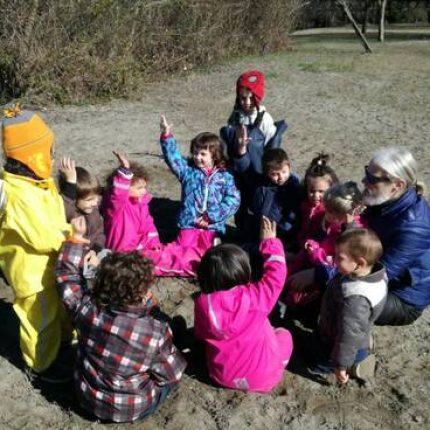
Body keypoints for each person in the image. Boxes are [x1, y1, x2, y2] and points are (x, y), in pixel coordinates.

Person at [55, 216, 186, 423]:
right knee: (166, 373)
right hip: (131, 408)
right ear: (142, 293)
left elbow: (67, 277)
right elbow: (172, 374)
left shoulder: (86, 308)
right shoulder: (155, 332)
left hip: (86, 398)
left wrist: (76, 240)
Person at [0, 104, 73, 381]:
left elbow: (54, 214)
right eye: (48, 153)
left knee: (59, 309)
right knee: (39, 320)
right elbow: (43, 235)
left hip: (50, 266)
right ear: (32, 156)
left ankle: (63, 344)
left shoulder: (38, 184)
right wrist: (72, 239)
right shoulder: (19, 194)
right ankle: (41, 365)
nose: (52, 159)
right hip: (30, 274)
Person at [194, 217, 293, 393]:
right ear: (244, 273)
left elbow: (201, 335)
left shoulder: (203, 304)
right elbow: (277, 274)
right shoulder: (256, 297)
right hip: (264, 379)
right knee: (284, 335)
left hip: (220, 376)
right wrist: (270, 242)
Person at [157, 115, 240, 275]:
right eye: (195, 153)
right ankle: (175, 265)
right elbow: (173, 158)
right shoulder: (188, 171)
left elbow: (233, 200)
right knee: (181, 250)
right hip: (189, 222)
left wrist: (211, 216)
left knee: (210, 255)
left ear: (214, 155)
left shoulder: (225, 177)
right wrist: (167, 136)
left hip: (212, 225)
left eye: (202, 154)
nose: (197, 157)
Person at [308, 228, 387, 385]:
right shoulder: (373, 273)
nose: (334, 259)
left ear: (360, 263)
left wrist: (340, 366)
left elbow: (347, 336)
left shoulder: (356, 300)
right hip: (355, 333)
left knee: (315, 362)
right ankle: (359, 354)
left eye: (340, 257)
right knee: (356, 332)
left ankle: (346, 365)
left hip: (338, 341)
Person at [362, 147, 430, 325]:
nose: (363, 181)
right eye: (366, 172)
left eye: (372, 178)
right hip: (382, 274)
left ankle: (358, 347)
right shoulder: (383, 200)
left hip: (404, 299)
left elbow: (375, 275)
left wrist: (321, 273)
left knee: (351, 299)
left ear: (397, 185)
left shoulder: (413, 227)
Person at [220, 70, 287, 227]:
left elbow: (272, 147)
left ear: (257, 97)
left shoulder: (265, 119)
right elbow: (229, 140)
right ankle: (241, 230)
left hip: (256, 171)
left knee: (257, 203)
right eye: (243, 98)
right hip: (238, 168)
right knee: (239, 202)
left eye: (251, 98)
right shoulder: (235, 116)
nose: (247, 102)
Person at [285, 181, 364, 307]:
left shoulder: (352, 235)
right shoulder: (325, 220)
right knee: (287, 273)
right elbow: (314, 236)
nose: (328, 214)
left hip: (325, 270)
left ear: (347, 214)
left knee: (295, 297)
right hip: (310, 259)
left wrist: (316, 252)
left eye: (334, 213)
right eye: (327, 209)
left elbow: (338, 263)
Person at [102, 151, 162, 253]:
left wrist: (154, 243)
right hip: (119, 252)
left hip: (137, 249)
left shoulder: (142, 205)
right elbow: (118, 194)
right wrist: (125, 171)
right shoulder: (117, 206)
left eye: (144, 187)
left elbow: (149, 226)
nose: (144, 191)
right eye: (139, 188)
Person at [242, 148, 302, 247]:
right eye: (275, 174)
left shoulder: (294, 187)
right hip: (259, 228)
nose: (281, 177)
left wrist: (281, 234)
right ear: (267, 173)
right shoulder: (262, 184)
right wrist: (242, 153)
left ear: (289, 167)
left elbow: (292, 216)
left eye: (284, 172)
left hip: (282, 233)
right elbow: (246, 171)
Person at [58, 157, 105, 259]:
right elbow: (64, 205)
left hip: (93, 254)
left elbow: (100, 233)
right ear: (75, 199)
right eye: (89, 200)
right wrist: (70, 183)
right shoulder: (70, 213)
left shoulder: (94, 212)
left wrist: (95, 250)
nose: (95, 203)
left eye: (96, 198)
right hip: (74, 257)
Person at [296, 153, 339, 249]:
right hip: (302, 245)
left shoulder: (330, 211)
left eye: (321, 191)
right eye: (311, 191)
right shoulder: (304, 205)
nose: (316, 196)